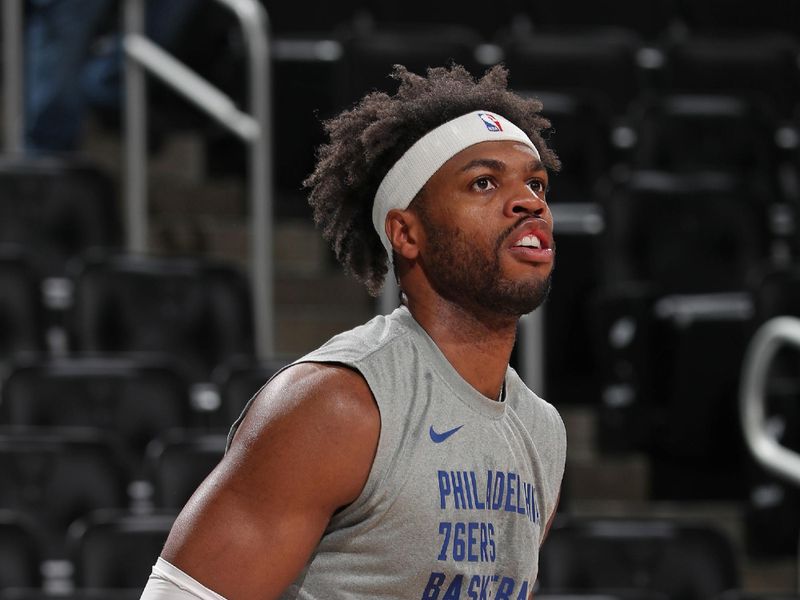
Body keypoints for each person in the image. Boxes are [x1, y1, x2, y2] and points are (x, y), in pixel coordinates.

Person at [140, 63, 567, 600]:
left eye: (536, 184)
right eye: (483, 183)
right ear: (406, 233)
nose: (530, 202)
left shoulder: (542, 430)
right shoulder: (338, 403)